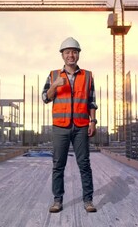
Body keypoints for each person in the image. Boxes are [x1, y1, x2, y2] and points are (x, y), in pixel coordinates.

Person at [42, 37, 98, 213]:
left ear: (78, 54)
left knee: (84, 164)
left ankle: (88, 200)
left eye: (74, 52)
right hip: (60, 126)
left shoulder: (87, 75)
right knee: (58, 165)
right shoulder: (53, 75)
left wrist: (93, 122)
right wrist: (55, 85)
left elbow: (92, 102)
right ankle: (57, 200)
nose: (71, 55)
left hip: (81, 126)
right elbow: (45, 98)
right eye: (67, 52)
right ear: (62, 55)